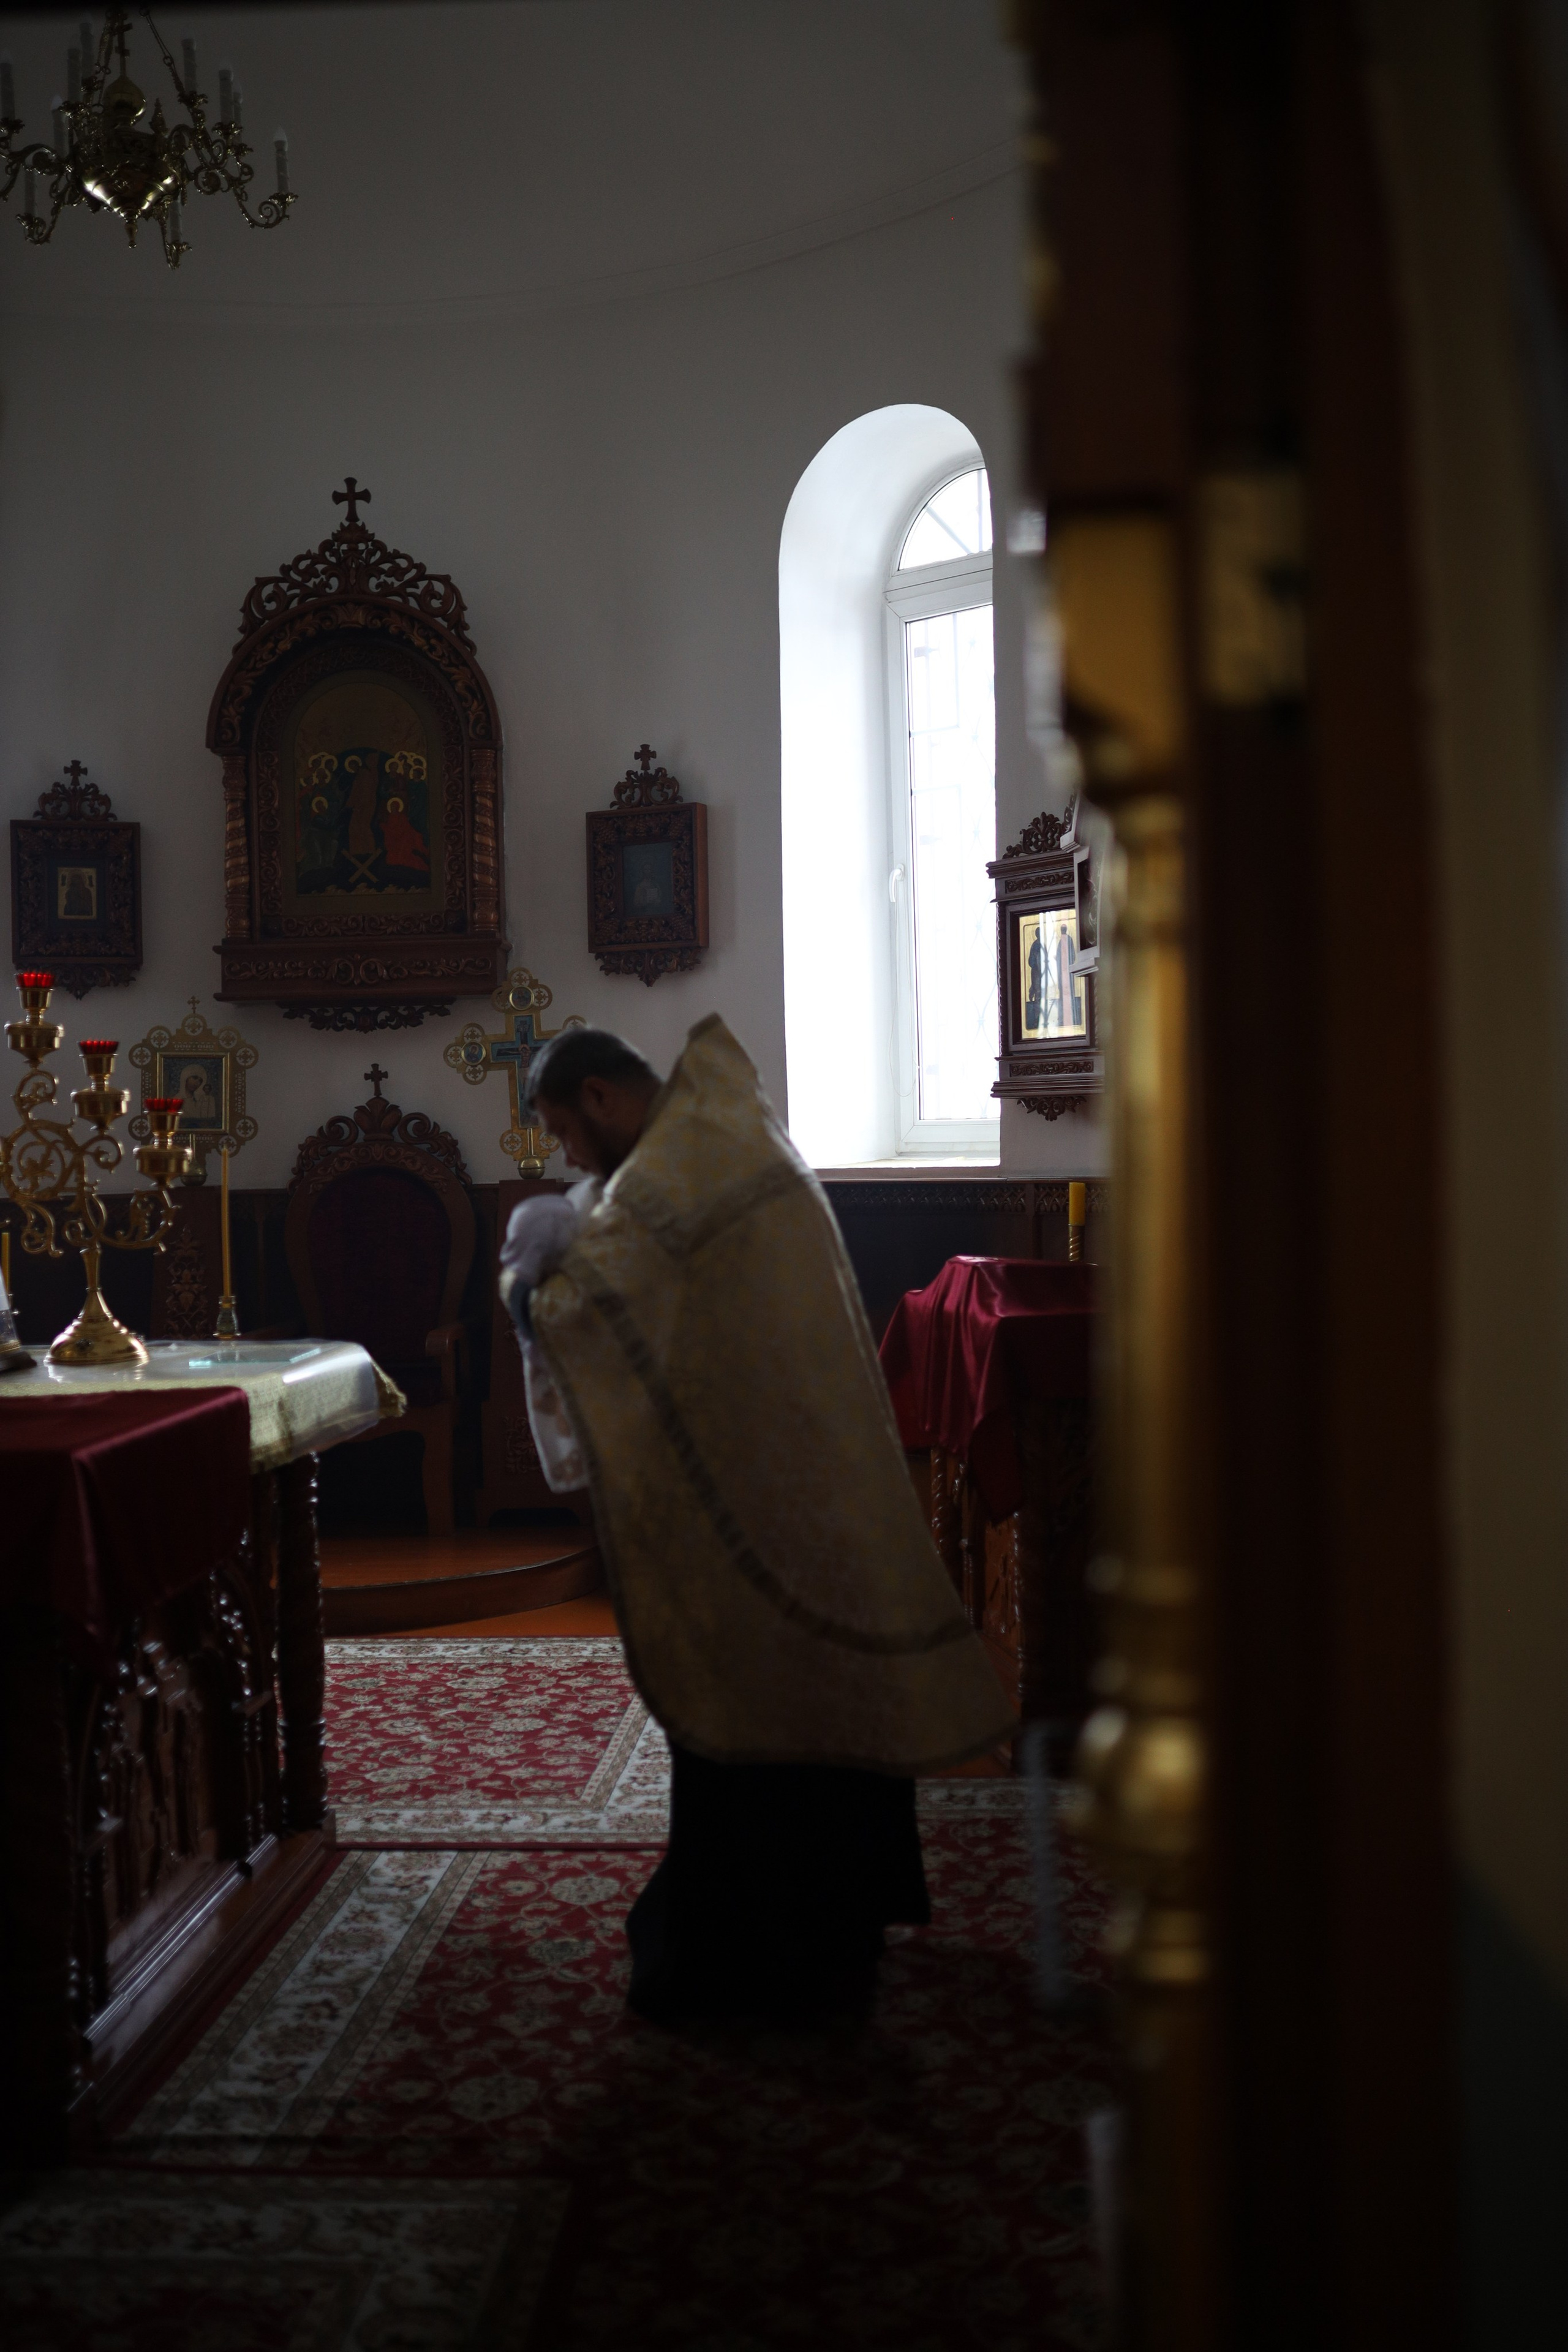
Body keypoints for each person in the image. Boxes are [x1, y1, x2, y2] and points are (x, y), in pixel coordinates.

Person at [500, 1019, 1012, 2026]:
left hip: (763, 1499)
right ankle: (841, 1917)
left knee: (762, 1697)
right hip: (799, 1476)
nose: (568, 1156)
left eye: (566, 1130)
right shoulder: (729, 1133)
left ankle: (755, 1954)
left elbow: (591, 1306)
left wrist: (528, 1288)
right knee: (824, 1695)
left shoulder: (679, 1172)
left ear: (602, 1097)